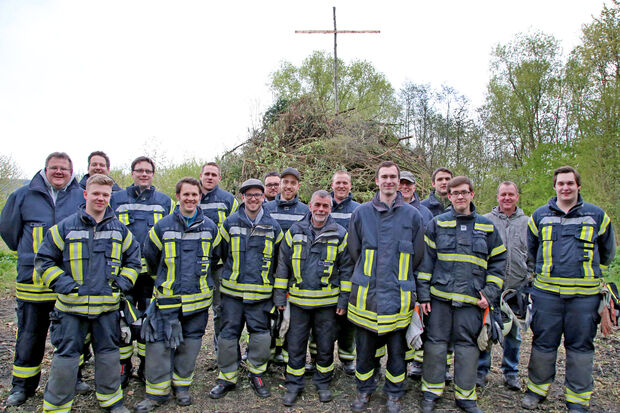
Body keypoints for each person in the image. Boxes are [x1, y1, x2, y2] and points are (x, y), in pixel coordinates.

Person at [35, 174, 141, 413]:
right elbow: (44, 260)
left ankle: (111, 400)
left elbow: (134, 261)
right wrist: (64, 285)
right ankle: (56, 407)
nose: (101, 198)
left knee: (109, 356)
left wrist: (122, 284)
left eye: (105, 194)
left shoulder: (120, 230)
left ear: (110, 197)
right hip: (71, 309)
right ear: (85, 194)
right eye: (96, 193)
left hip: (106, 309)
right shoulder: (64, 227)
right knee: (66, 359)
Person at [521, 166, 615, 413]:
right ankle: (536, 391)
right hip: (547, 295)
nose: (565, 188)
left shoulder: (597, 216)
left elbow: (607, 253)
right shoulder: (539, 217)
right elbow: (532, 252)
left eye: (570, 183)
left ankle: (577, 399)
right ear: (554, 187)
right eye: (561, 183)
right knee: (543, 344)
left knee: (580, 347)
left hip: (584, 298)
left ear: (578, 186)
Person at [0, 152, 84, 407]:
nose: (59, 172)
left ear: (71, 172)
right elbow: (9, 232)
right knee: (29, 335)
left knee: (70, 336)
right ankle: (22, 386)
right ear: (45, 169)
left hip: (68, 284)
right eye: (54, 168)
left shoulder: (80, 196)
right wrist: (29, 255)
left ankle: (73, 378)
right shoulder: (23, 195)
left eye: (64, 169)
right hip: (33, 284)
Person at [417, 176, 506, 413]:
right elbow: (426, 263)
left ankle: (466, 397)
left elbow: (498, 263)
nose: (459, 197)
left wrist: (490, 292)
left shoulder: (487, 227)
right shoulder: (437, 224)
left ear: (472, 194)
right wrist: (424, 296)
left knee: (468, 348)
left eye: (464, 192)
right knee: (435, 345)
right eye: (454, 193)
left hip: (472, 301)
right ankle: (431, 392)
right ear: (448, 196)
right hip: (440, 299)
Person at [134, 177, 221, 412]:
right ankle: (156, 394)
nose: (190, 198)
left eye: (195, 194)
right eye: (186, 194)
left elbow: (215, 259)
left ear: (200, 197)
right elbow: (151, 259)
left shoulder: (211, 228)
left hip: (199, 301)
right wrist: (164, 282)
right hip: (168, 300)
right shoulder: (162, 227)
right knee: (159, 346)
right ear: (178, 197)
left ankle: (182, 387)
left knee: (190, 345)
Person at [347, 161, 425, 413]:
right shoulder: (361, 213)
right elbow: (354, 252)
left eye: (393, 177)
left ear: (399, 182)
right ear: (377, 180)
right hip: (366, 298)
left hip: (398, 298)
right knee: (365, 351)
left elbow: (419, 256)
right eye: (384, 177)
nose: (389, 181)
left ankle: (394, 394)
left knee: (397, 352)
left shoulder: (413, 216)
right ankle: (364, 391)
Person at [274, 190, 354, 406]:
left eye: (325, 206)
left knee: (325, 346)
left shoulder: (340, 233)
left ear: (330, 208)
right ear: (309, 206)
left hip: (327, 304)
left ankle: (323, 383)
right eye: (317, 205)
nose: (321, 210)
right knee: (295, 345)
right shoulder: (294, 231)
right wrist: (280, 297)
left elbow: (346, 269)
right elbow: (283, 266)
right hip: (298, 302)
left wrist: (343, 300)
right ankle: (294, 384)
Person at [209, 179, 283, 400]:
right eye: (248, 195)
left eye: (257, 195)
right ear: (242, 197)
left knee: (260, 335)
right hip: (232, 294)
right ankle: (227, 377)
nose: (253, 199)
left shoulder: (273, 226)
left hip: (261, 295)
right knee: (228, 335)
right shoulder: (230, 223)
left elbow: (280, 261)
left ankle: (257, 373)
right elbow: (217, 254)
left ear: (263, 198)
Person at [110, 156, 175, 386]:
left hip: (151, 275)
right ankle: (123, 367)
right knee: (122, 320)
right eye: (139, 171)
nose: (144, 174)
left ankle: (147, 366)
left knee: (150, 319)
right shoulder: (115, 199)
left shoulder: (165, 201)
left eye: (148, 171)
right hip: (124, 274)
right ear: (132, 173)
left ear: (153, 174)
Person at [477, 181, 533, 390]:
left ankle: (510, 372)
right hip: (491, 286)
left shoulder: (528, 222)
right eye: (503, 195)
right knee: (486, 329)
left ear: (517, 196)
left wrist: (528, 278)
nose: (507, 198)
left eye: (511, 194)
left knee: (514, 334)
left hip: (516, 288)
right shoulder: (485, 221)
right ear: (497, 197)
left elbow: (534, 254)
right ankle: (481, 371)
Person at [264, 167, 309, 364]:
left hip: (294, 272)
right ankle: (269, 350)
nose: (288, 186)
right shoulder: (266, 208)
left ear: (298, 186)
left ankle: (286, 352)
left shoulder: (305, 211)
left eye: (293, 182)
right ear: (280, 184)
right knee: (268, 313)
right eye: (285, 182)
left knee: (290, 314)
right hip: (268, 270)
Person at [198, 162, 239, 346]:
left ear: (219, 178)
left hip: (219, 265)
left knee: (220, 308)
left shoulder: (228, 200)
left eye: (214, 174)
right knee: (191, 308)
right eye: (207, 174)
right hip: (193, 263)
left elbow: (237, 230)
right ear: (201, 175)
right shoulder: (190, 195)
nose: (210, 177)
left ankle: (220, 349)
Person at [329, 170, 361, 375]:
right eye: (338, 183)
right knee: (325, 318)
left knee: (349, 318)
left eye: (345, 183)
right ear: (332, 185)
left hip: (352, 270)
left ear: (350, 186)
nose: (341, 186)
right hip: (327, 270)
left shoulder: (358, 210)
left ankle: (347, 358)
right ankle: (318, 357)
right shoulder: (323, 205)